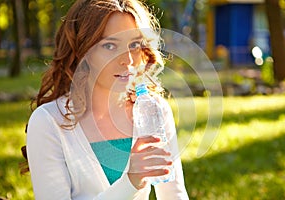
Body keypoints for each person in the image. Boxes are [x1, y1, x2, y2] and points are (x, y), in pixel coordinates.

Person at [24, 0, 189, 199]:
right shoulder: (48, 122)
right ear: (81, 51)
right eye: (110, 45)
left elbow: (174, 195)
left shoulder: (155, 111)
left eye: (135, 44)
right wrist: (130, 182)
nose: (127, 60)